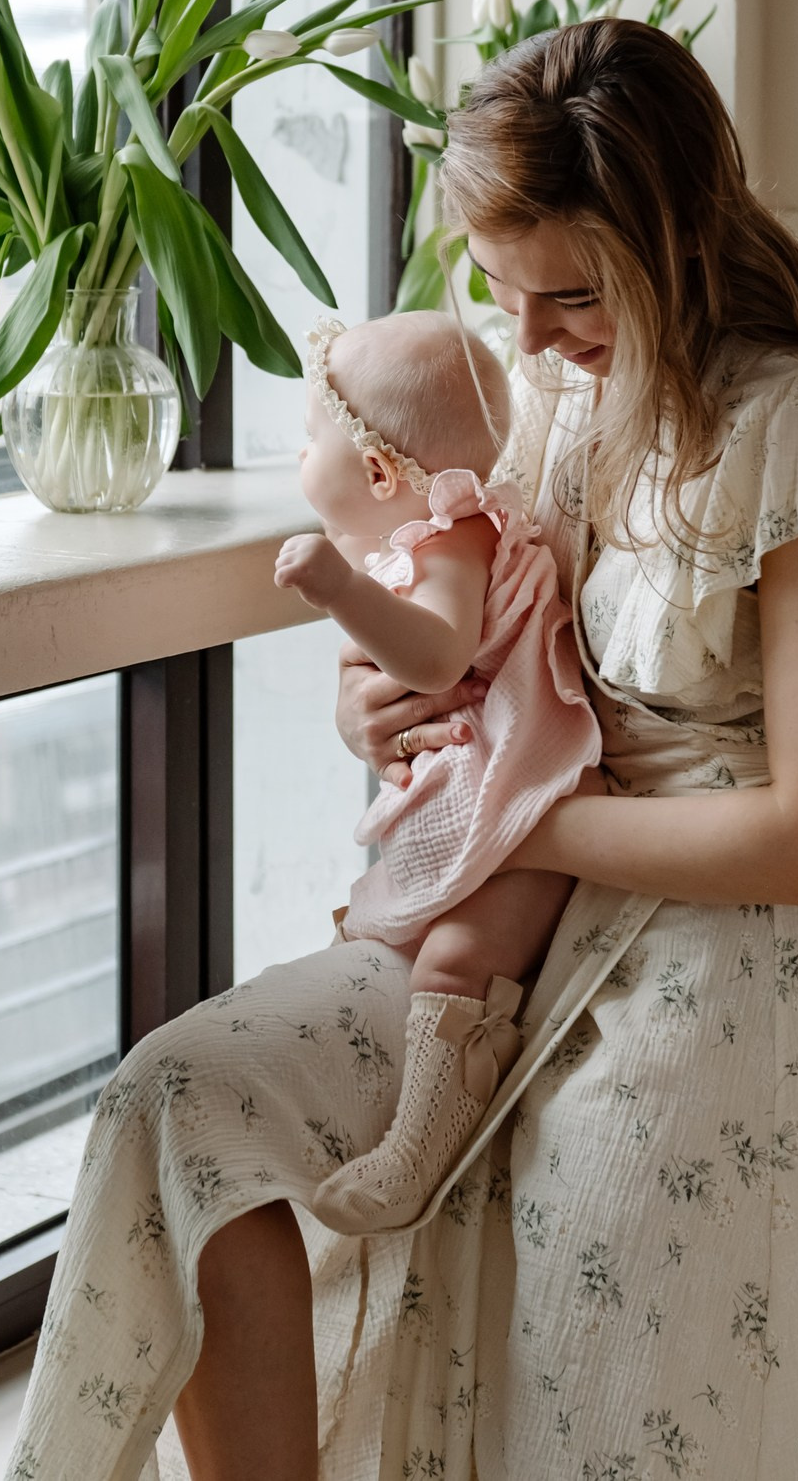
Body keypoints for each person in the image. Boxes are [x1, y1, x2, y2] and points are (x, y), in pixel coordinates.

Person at [4, 18, 798, 1481]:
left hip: (716, 962)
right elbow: (467, 624)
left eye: (573, 296)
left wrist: (519, 824)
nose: (526, 343)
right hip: (502, 906)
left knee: (588, 1361)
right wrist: (379, 707)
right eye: (501, 293)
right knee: (179, 1100)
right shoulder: (567, 397)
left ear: (676, 246)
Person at [272, 310, 601, 1235]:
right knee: (410, 941)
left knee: (457, 959)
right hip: (490, 788)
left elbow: (438, 659)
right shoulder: (428, 541)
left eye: (309, 441)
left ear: (377, 472)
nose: (301, 460)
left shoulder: (451, 538)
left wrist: (341, 590)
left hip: (533, 795)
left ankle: (420, 1151)